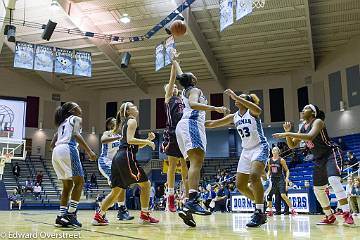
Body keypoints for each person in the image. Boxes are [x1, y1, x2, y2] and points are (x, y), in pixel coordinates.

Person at [273, 104, 355, 226]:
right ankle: (329, 216)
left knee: (333, 180)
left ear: (313, 113)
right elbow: (292, 145)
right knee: (318, 189)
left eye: (306, 108)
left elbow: (310, 136)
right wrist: (288, 133)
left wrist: (288, 134)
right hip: (318, 159)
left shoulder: (318, 122)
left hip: (331, 154)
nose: (302, 110)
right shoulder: (303, 127)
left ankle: (347, 214)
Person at [174, 53, 228, 227]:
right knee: (197, 163)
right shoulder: (195, 91)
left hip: (187, 126)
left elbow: (182, 77)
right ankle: (192, 199)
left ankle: (188, 209)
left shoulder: (186, 88)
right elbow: (195, 104)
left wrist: (175, 62)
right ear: (193, 80)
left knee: (194, 165)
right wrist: (215, 107)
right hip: (191, 125)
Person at [205, 89, 269, 227]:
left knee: (254, 176)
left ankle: (259, 211)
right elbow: (213, 124)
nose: (235, 99)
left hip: (260, 147)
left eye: (240, 98)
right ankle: (261, 204)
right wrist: (196, 123)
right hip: (246, 151)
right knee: (240, 185)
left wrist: (235, 96)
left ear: (246, 102)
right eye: (236, 98)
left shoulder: (252, 112)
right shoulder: (234, 116)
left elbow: (258, 109)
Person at [92, 102, 159, 225]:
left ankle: (99, 215)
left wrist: (148, 140)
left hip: (119, 158)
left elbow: (132, 143)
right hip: (126, 157)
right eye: (133, 106)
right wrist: (148, 142)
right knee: (146, 184)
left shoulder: (126, 123)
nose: (136, 107)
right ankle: (144, 215)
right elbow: (129, 140)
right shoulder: (132, 121)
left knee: (116, 191)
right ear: (128, 111)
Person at [51, 102, 97, 228]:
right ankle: (70, 215)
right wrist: (89, 151)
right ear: (72, 110)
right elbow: (76, 134)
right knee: (80, 182)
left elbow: (52, 144)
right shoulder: (76, 118)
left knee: (67, 186)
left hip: (56, 151)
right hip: (68, 149)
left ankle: (61, 217)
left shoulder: (62, 123)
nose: (80, 107)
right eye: (77, 106)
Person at [162, 52, 189, 213]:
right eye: (171, 87)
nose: (174, 87)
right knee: (172, 166)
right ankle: (170, 198)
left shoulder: (182, 98)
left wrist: (177, 62)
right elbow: (173, 80)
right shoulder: (168, 99)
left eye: (175, 87)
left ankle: (187, 197)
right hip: (172, 133)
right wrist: (173, 63)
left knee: (185, 165)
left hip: (183, 133)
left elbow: (182, 80)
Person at [98, 117, 134, 221]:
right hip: (105, 162)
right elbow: (103, 140)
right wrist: (117, 138)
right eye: (114, 121)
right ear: (110, 125)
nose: (117, 122)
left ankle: (121, 210)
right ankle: (101, 210)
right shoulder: (108, 133)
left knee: (121, 185)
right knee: (117, 187)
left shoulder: (120, 136)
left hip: (116, 164)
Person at [266, 147, 297, 216]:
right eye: (273, 150)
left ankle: (292, 209)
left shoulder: (281, 160)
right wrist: (267, 177)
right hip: (273, 179)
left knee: (283, 195)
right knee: (269, 195)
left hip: (280, 179)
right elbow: (269, 170)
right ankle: (270, 211)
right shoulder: (269, 160)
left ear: (278, 152)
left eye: (275, 150)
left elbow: (287, 170)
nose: (273, 151)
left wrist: (287, 178)